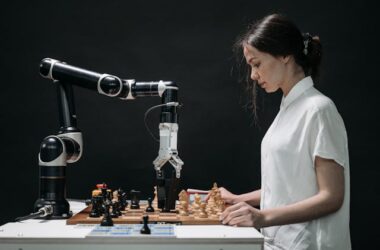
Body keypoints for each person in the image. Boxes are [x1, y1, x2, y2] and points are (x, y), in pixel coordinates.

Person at [218, 14, 351, 249]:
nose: (253, 75)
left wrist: (262, 217)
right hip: (280, 243)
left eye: (256, 64)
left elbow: (332, 196)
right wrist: (240, 200)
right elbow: (289, 185)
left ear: (285, 55)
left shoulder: (319, 109)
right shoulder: (289, 109)